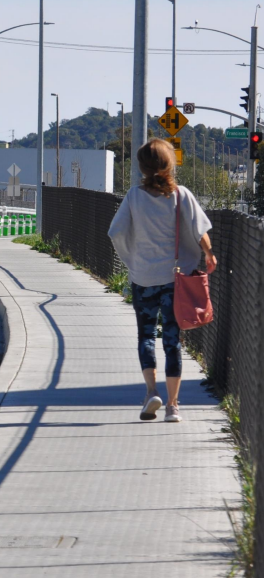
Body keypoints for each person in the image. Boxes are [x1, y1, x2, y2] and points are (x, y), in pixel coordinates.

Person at [108, 138, 217, 423]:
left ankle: (151, 392)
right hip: (175, 279)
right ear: (171, 164)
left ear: (142, 167)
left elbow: (115, 231)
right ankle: (172, 406)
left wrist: (132, 258)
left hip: (143, 277)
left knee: (146, 337)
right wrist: (208, 254)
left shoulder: (133, 196)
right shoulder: (181, 195)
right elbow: (199, 232)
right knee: (172, 340)